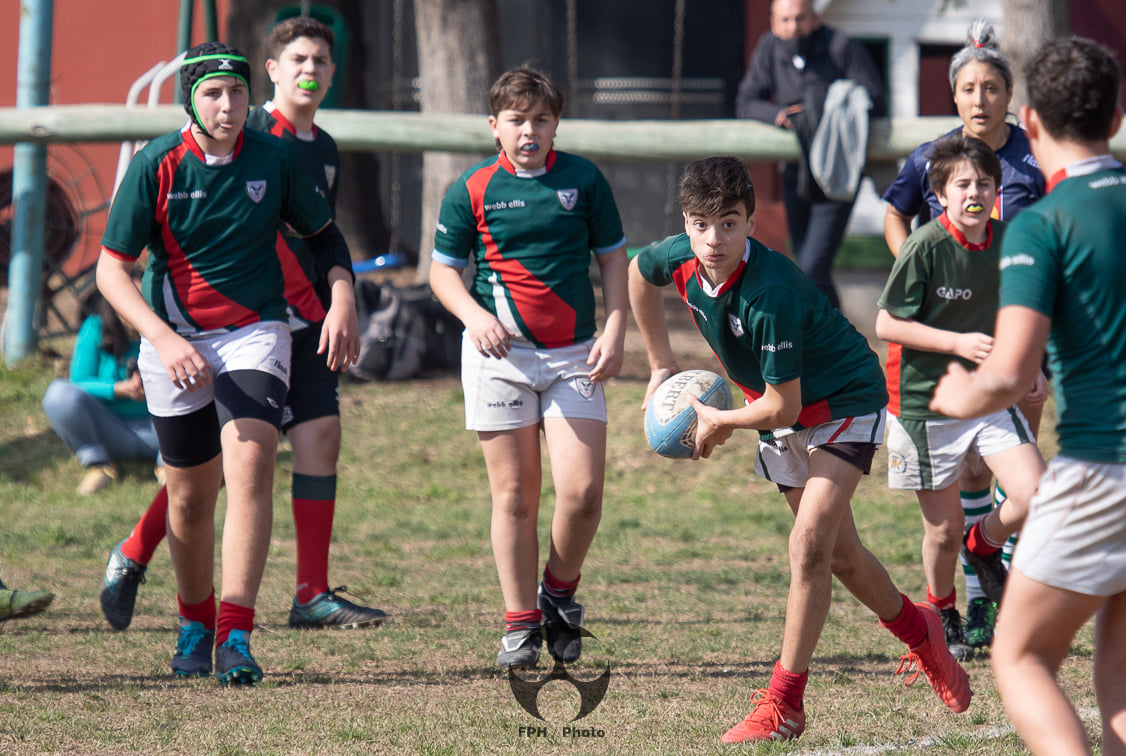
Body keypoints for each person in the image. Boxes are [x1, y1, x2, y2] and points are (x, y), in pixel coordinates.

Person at [629, 156, 970, 744]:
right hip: (775, 406)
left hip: (842, 399)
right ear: (685, 224)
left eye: (730, 223)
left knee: (809, 544)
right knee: (841, 556)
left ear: (751, 223)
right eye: (702, 225)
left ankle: (785, 704)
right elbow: (639, 273)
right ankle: (922, 633)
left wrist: (722, 420)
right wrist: (661, 364)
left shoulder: (770, 293)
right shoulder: (680, 257)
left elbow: (782, 408)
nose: (715, 240)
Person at [98, 17, 385, 636]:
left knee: (296, 444)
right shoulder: (236, 137)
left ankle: (298, 598)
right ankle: (141, 556)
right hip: (236, 321)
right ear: (273, 71)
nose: (311, 71)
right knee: (205, 476)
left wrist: (340, 298)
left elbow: (320, 237)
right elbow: (120, 266)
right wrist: (164, 335)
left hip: (287, 323)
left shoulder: (317, 149)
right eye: (298, 59)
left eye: (321, 60)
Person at [931, 37, 1126, 756]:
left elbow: (1011, 374)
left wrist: (960, 393)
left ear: (1032, 120)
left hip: (1104, 467)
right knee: (1119, 674)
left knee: (1020, 657)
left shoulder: (1043, 223)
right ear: (1116, 117)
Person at [428, 67, 628, 670]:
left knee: (583, 492)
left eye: (541, 119)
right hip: (499, 358)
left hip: (575, 355)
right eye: (516, 120)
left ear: (556, 124)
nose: (529, 131)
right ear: (495, 126)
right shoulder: (472, 188)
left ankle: (558, 594)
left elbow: (613, 259)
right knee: (515, 495)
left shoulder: (583, 180)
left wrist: (616, 325)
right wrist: (473, 316)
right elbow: (442, 271)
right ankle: (520, 625)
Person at [881, 19, 1047, 652]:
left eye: (992, 87)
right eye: (969, 88)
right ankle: (962, 604)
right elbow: (895, 216)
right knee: (951, 514)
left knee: (1021, 482)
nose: (980, 99)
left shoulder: (1034, 157)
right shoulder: (931, 166)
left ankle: (998, 584)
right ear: (954, 95)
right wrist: (918, 275)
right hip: (936, 372)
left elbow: (1047, 250)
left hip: (1013, 338)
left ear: (1010, 94)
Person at [735, 0, 885, 309]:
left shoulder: (840, 45)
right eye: (786, 20)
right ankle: (834, 336)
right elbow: (747, 102)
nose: (793, 26)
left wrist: (825, 112)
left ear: (814, 19)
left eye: (800, 18)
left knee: (811, 267)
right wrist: (780, 115)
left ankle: (835, 337)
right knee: (809, 267)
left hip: (837, 172)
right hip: (795, 171)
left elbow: (874, 98)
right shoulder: (769, 48)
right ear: (774, 23)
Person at [42, 295, 161, 495]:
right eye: (129, 299)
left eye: (144, 299)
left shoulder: (173, 327)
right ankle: (97, 463)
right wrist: (119, 389)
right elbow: (78, 382)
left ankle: (171, 466)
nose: (136, 309)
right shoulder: (95, 326)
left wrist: (157, 389)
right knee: (58, 394)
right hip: (110, 429)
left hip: (162, 430)